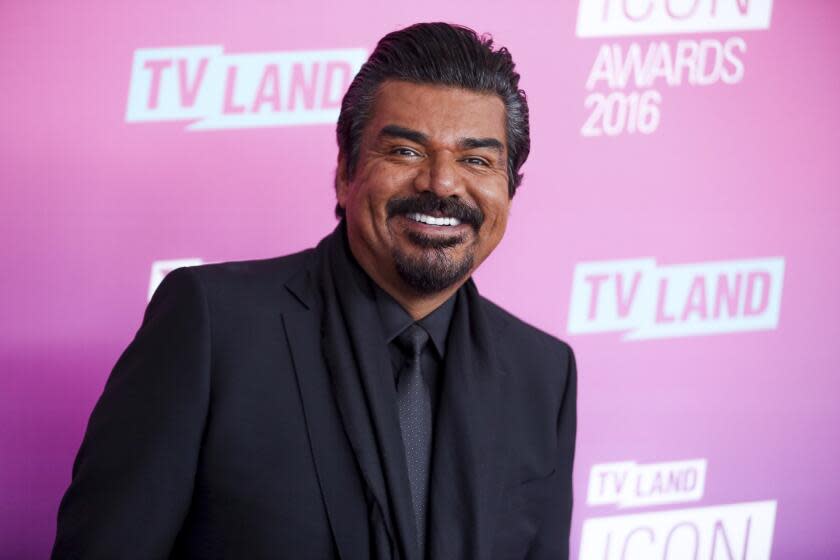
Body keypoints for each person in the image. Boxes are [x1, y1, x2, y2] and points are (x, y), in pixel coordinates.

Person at [52, 22, 577, 560]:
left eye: (476, 160)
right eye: (404, 151)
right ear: (345, 170)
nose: (441, 183)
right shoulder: (212, 325)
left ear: (509, 188)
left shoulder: (544, 373)